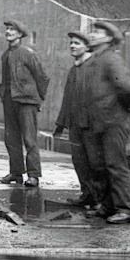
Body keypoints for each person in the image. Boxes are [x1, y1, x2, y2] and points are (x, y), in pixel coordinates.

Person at [83, 20, 130, 224]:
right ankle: (108, 206)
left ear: (109, 38)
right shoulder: (96, 60)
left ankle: (127, 209)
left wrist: (126, 107)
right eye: (93, 31)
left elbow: (128, 88)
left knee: (116, 165)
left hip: (113, 121)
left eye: (98, 32)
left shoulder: (110, 59)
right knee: (103, 165)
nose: (92, 35)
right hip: (101, 121)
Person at [51, 31, 102, 211]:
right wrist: (60, 124)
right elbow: (67, 98)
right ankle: (87, 195)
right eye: (71, 43)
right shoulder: (73, 70)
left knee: (94, 162)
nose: (72, 46)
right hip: (75, 124)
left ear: (87, 47)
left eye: (77, 43)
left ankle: (99, 200)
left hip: (91, 125)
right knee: (79, 161)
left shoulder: (94, 67)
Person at [0, 20, 50, 188]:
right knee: (11, 139)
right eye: (7, 29)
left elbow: (42, 77)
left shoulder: (28, 53)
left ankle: (34, 175)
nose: (8, 32)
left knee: (29, 139)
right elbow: (5, 80)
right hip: (9, 101)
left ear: (20, 34)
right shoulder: (5, 55)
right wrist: (3, 94)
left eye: (12, 30)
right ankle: (16, 173)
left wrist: (38, 99)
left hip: (27, 102)